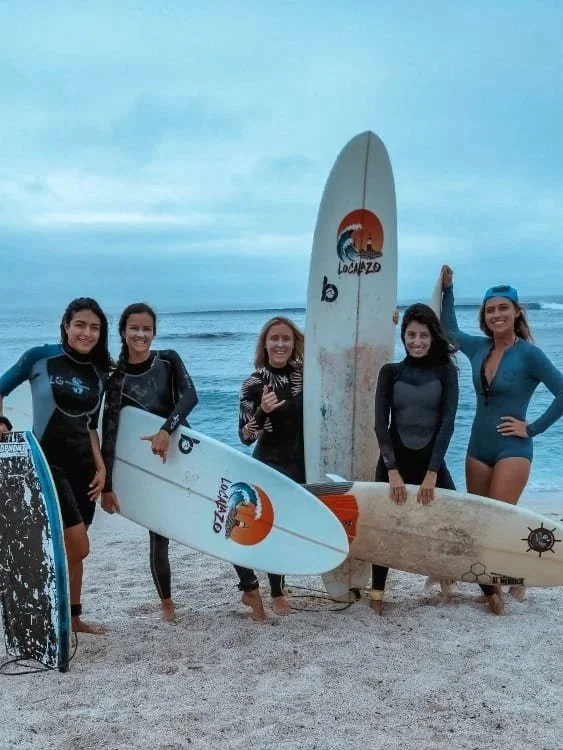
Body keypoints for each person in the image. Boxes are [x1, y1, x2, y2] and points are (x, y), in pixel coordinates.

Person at [440, 266, 563, 614]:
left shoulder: (530, 354)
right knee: (480, 520)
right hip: (477, 449)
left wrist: (532, 428)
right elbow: (448, 329)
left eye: (503, 308)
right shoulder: (478, 347)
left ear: (517, 312)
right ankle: (493, 586)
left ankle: (514, 580)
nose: (497, 315)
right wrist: (448, 289)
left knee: (498, 520)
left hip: (514, 449)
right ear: (485, 316)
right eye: (490, 310)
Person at [0, 298, 112, 633]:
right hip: (49, 467)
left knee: (74, 553)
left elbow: (91, 425)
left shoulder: (98, 372)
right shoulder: (40, 357)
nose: (87, 333)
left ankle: (72, 618)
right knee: (78, 546)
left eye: (94, 327)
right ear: (66, 325)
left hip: (84, 470)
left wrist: (101, 468)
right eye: (80, 324)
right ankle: (48, 612)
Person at [100, 303, 198, 623]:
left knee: (216, 511)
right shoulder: (116, 378)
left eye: (147, 329)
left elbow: (189, 398)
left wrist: (165, 430)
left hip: (184, 451)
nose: (141, 334)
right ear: (123, 333)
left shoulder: (168, 359)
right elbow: (112, 432)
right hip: (151, 460)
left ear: (154, 332)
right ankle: (167, 604)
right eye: (134, 329)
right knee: (159, 535)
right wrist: (108, 485)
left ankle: (249, 586)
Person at [372, 303, 458, 614]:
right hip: (394, 463)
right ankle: (377, 596)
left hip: (431, 464)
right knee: (384, 528)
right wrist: (392, 470)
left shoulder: (445, 372)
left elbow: (447, 424)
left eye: (423, 335)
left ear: (433, 337)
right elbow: (381, 425)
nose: (417, 341)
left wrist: (433, 472)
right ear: (403, 336)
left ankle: (483, 589)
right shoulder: (390, 372)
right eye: (411, 335)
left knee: (453, 521)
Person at [236, 316, 305, 621]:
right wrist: (263, 411)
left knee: (285, 530)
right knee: (249, 528)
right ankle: (257, 589)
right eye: (274, 338)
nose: (280, 344)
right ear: (265, 343)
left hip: (301, 463)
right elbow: (245, 437)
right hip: (268, 462)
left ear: (294, 343)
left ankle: (277, 589)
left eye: (286, 338)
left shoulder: (306, 375)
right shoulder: (254, 383)